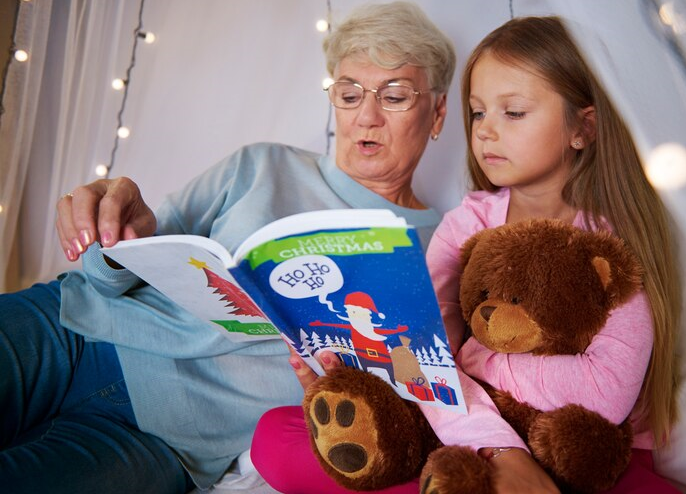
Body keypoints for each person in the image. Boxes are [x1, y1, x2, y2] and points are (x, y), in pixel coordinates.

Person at [0, 2, 457, 493]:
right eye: (349, 93)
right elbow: (114, 271)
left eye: (394, 95)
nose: (366, 115)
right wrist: (115, 236)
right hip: (70, 329)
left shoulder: (442, 252)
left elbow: (415, 398)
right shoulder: (260, 165)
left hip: (164, 440)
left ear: (437, 112)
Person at [252, 13, 683, 494]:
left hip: (582, 446)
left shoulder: (613, 244)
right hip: (471, 427)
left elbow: (605, 393)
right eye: (478, 112)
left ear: (582, 127)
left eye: (513, 112)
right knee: (275, 435)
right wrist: (369, 369)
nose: (485, 132)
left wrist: (480, 360)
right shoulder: (467, 225)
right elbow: (425, 359)